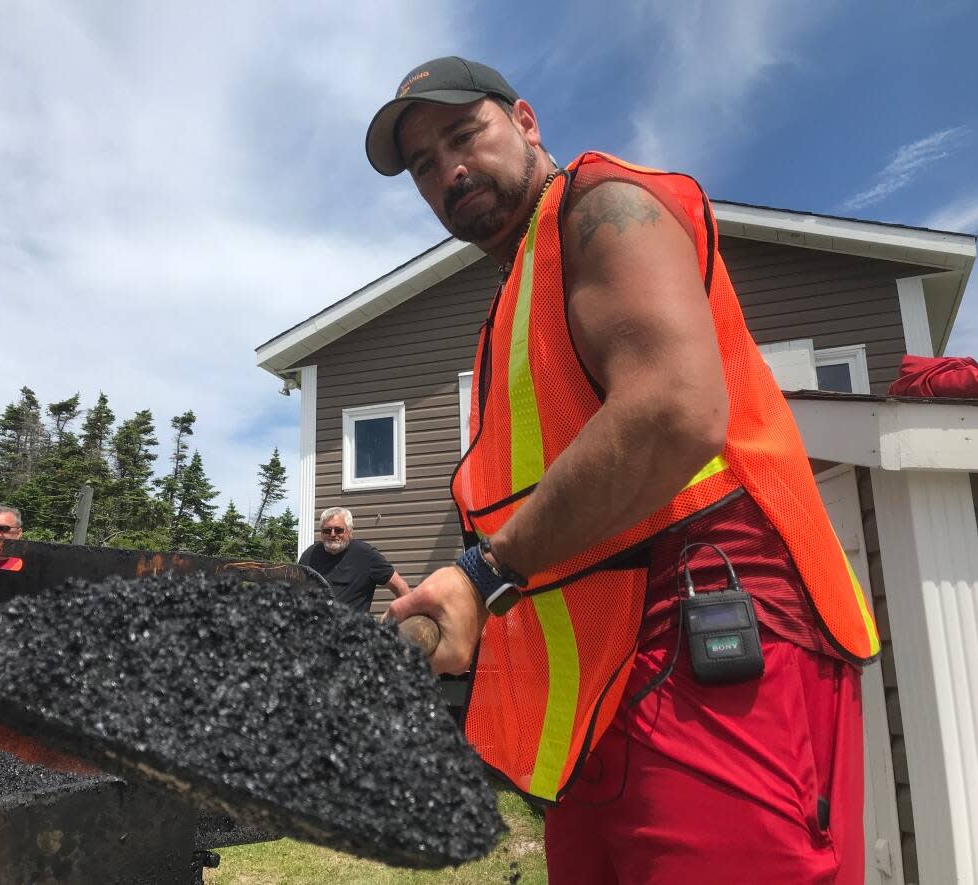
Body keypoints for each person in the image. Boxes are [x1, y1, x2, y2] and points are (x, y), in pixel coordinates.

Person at [371, 57, 878, 884]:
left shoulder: (604, 204)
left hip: (713, 633)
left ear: (526, 121)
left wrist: (483, 573)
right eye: (424, 164)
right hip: (604, 700)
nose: (447, 169)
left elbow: (674, 409)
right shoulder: (511, 303)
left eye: (464, 135)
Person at [299, 507, 410, 612]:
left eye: (338, 530)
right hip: (314, 629)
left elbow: (400, 586)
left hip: (352, 629)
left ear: (350, 532)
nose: (332, 534)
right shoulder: (310, 555)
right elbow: (295, 590)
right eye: (327, 531)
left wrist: (409, 619)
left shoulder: (366, 555)